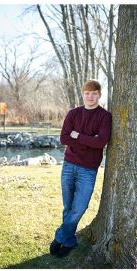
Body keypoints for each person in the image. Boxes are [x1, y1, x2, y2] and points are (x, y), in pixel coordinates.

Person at [49, 80, 111, 258]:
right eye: (87, 93)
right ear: (82, 94)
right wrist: (89, 140)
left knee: (79, 207)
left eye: (94, 93)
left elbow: (101, 142)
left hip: (88, 169)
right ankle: (69, 241)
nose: (90, 96)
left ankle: (60, 236)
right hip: (69, 165)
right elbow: (64, 138)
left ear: (99, 95)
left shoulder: (104, 116)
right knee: (68, 207)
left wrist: (78, 136)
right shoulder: (73, 114)